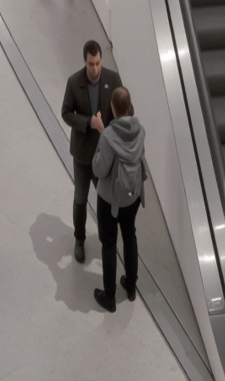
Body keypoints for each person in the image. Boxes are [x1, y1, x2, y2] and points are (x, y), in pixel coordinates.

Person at [60, 41, 120, 264]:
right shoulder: (74, 82)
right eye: (90, 64)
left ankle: (107, 239)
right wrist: (89, 123)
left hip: (104, 155)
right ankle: (79, 238)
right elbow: (66, 113)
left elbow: (125, 108)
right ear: (84, 62)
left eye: (97, 64)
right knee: (80, 199)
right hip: (83, 155)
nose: (95, 69)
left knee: (105, 200)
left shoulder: (113, 79)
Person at [91, 84, 147, 311]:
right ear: (129, 106)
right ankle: (131, 286)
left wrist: (99, 140)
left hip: (110, 200)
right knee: (130, 235)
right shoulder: (140, 130)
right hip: (132, 196)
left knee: (109, 243)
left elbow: (99, 169)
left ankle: (109, 296)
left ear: (113, 108)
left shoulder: (108, 136)